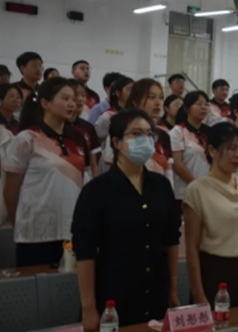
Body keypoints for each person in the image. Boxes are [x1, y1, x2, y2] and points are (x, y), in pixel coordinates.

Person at [72, 109, 181, 328]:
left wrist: (173, 290)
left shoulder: (161, 186)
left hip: (157, 291)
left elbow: (171, 240)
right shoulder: (96, 191)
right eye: (136, 134)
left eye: (149, 134)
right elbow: (85, 253)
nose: (145, 140)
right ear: (117, 142)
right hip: (115, 296)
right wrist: (88, 307)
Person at [3, 77, 88, 266]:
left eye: (73, 99)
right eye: (65, 98)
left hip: (71, 231)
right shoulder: (27, 139)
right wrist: (20, 224)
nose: (72, 104)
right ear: (45, 103)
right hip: (34, 234)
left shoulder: (78, 139)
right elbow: (10, 190)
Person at [183, 123, 238, 309]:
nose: (237, 155)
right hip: (214, 273)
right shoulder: (197, 189)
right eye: (231, 148)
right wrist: (198, 292)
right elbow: (192, 247)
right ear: (212, 150)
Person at [126, 79, 173, 182]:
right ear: (135, 102)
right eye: (151, 97)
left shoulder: (163, 134)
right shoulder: (124, 132)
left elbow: (168, 173)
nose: (158, 103)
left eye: (161, 97)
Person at [170, 91, 211, 206]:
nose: (203, 107)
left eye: (206, 104)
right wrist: (197, 185)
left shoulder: (210, 132)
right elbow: (177, 165)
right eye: (199, 104)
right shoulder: (178, 131)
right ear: (187, 108)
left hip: (209, 190)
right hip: (184, 192)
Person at [94, 76, 134, 175]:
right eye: (129, 89)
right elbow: (98, 139)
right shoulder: (107, 116)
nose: (133, 92)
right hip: (111, 161)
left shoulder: (136, 116)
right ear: (118, 93)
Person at [67, 80, 102, 180]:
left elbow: (93, 162)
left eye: (83, 95)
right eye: (75, 95)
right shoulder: (58, 126)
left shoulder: (88, 127)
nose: (80, 99)